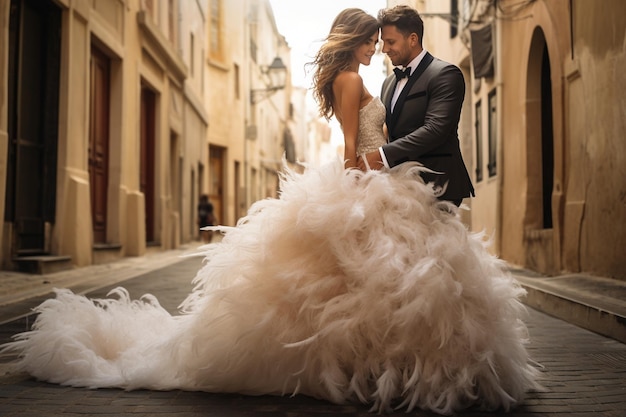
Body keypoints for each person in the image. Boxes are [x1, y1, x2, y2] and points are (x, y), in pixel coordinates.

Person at [0, 8, 540, 416]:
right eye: (375, 41)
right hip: (371, 179)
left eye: (386, 41)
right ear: (358, 41)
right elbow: (352, 147)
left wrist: (375, 166)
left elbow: (417, 132)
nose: (380, 48)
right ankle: (371, 368)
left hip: (388, 180)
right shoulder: (354, 79)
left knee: (382, 287)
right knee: (369, 284)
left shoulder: (403, 77)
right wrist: (365, 175)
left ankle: (372, 366)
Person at [357, 5, 474, 207]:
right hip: (399, 189)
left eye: (391, 42)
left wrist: (382, 155)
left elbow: (436, 129)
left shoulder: (445, 74)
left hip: (437, 187)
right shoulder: (388, 83)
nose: (384, 49)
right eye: (383, 42)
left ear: (412, 39)